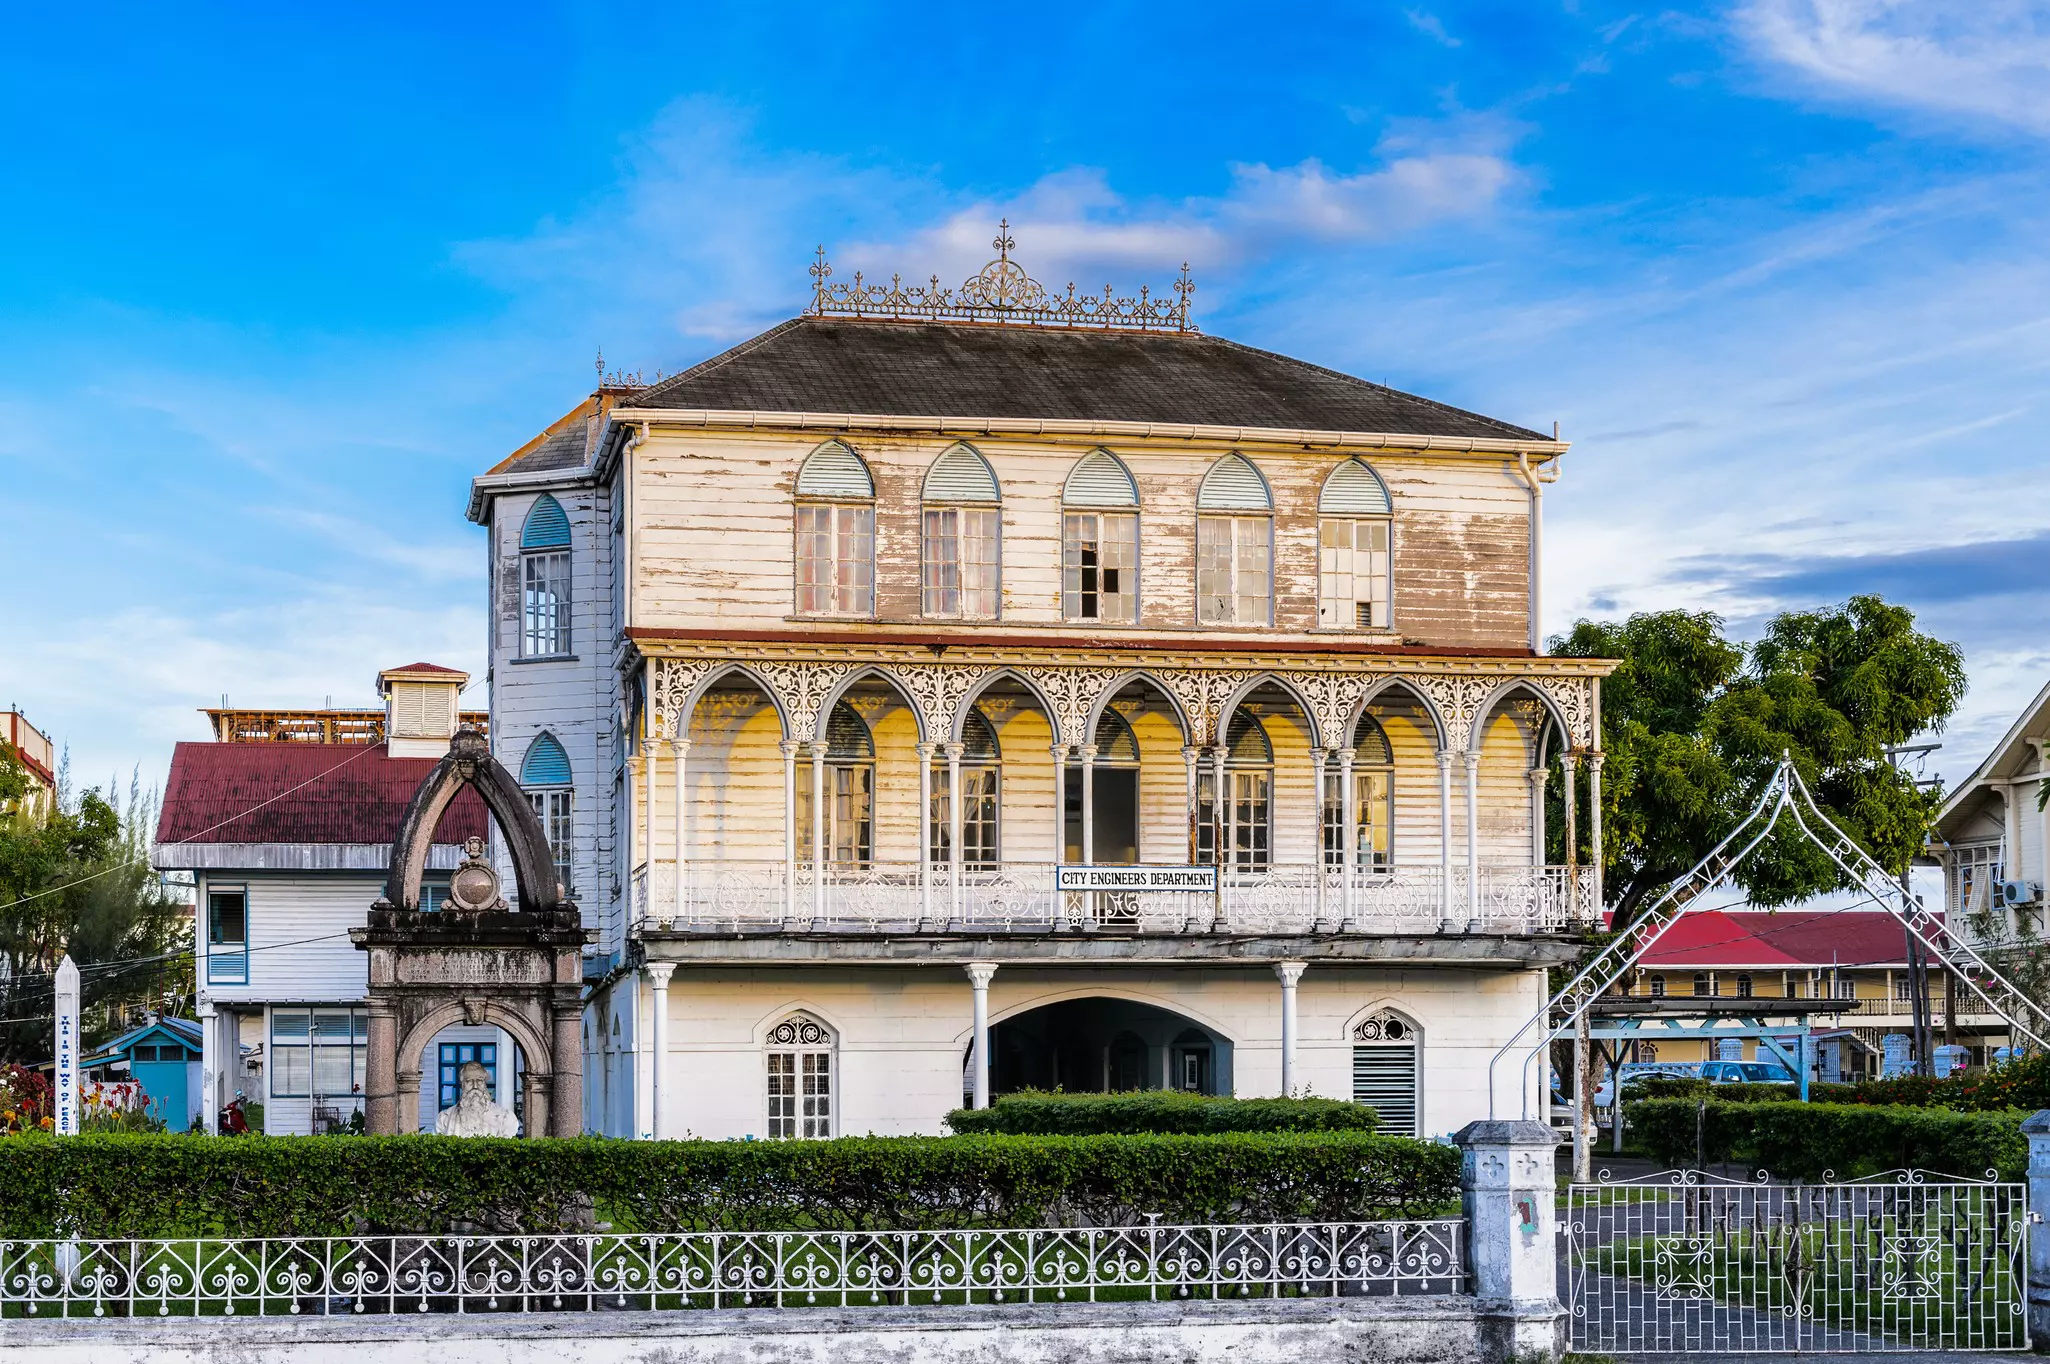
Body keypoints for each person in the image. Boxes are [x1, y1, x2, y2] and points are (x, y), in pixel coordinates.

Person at [435, 1060, 520, 1137]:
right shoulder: (444, 1119)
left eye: (479, 1081)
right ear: (462, 1084)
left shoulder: (505, 1118)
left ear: (485, 1083)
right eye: (469, 1081)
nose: (475, 1086)